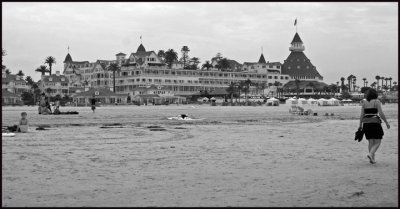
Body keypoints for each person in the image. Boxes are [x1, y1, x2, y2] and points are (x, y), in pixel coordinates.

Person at [359, 88, 390, 164]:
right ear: (375, 94)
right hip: (375, 123)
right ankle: (370, 154)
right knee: (378, 141)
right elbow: (381, 113)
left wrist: (360, 125)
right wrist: (386, 122)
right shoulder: (377, 101)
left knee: (370, 141)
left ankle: (372, 159)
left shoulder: (364, 102)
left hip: (366, 123)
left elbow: (362, 115)